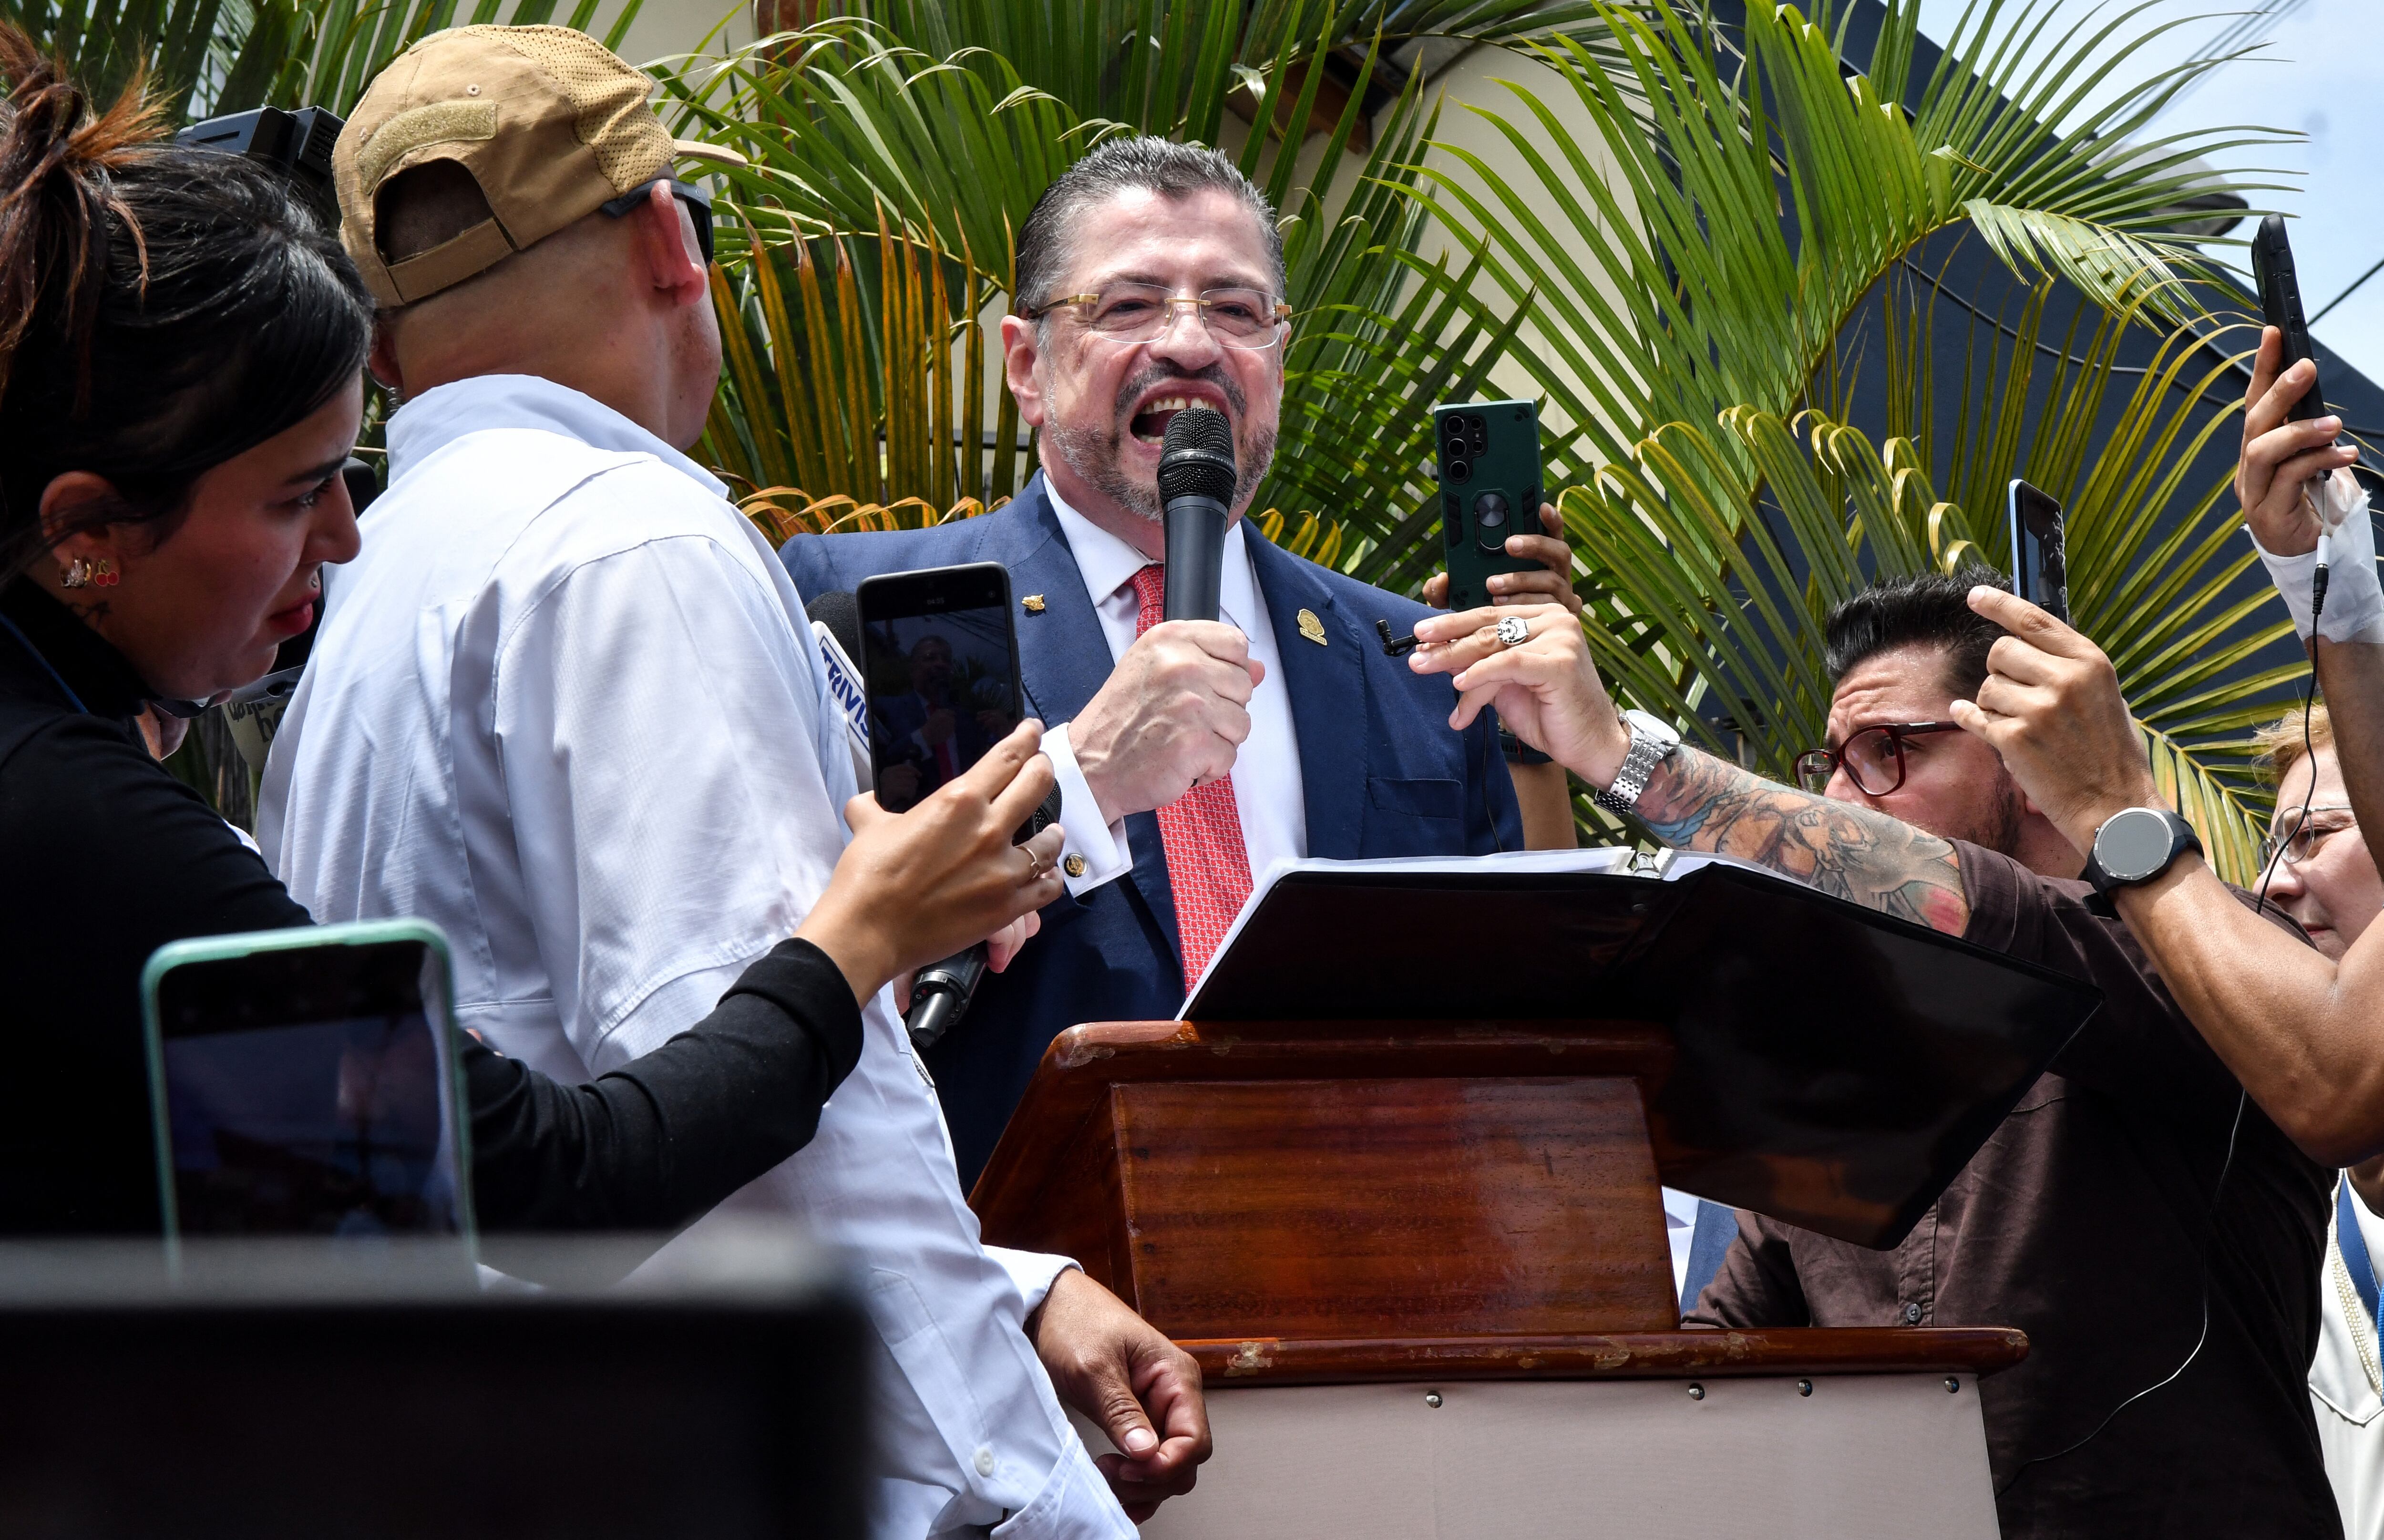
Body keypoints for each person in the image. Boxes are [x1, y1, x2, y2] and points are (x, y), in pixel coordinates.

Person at [258, 27, 1204, 1534]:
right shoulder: (632, 542)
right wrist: (1029, 1495)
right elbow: (762, 1112)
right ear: (667, 242)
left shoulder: (365, 578)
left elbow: (578, 1104)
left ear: (378, 346)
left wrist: (1010, 1286)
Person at [0, 31, 1059, 1241]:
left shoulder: (98, 753)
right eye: (297, 495)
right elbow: (558, 1184)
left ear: (384, 348)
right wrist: (860, 933)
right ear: (85, 532)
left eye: (346, 476)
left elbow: (340, 1205)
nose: (344, 538)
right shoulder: (69, 812)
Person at [1406, 573, 2338, 1536]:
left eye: (1888, 751)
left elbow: (1966, 903)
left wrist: (1619, 752)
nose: (1841, 798)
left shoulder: (2216, 960)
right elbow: (1714, 1367)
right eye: (1832, 764)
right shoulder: (1829, 1044)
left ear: (2029, 760)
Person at [783, 135, 1580, 1184]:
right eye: (1129, 304)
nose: (1192, 343)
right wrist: (1083, 777)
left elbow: (1511, 1021)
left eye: (1237, 310)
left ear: (1278, 360)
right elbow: (785, 980)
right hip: (1015, 1259)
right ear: (1026, 365)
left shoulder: (1413, 659)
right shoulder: (863, 606)